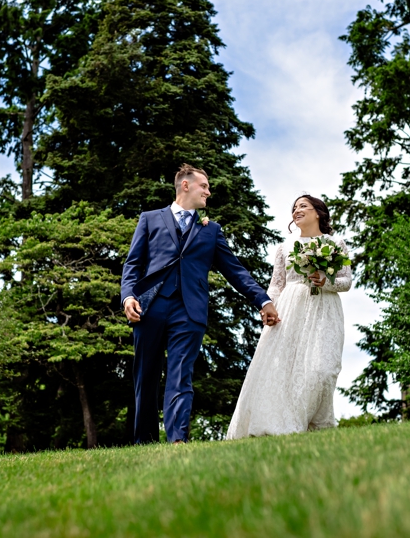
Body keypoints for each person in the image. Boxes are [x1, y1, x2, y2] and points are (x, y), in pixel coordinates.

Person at [121, 164, 280, 444]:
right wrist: (128, 296)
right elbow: (133, 264)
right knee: (145, 378)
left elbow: (235, 270)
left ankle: (178, 440)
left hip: (189, 310)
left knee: (181, 373)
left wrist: (263, 299)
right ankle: (144, 442)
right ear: (185, 185)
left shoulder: (211, 229)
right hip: (150, 307)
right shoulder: (149, 219)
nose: (208, 191)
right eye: (204, 186)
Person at [226, 195, 352, 439]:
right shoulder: (285, 247)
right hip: (290, 309)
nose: (297, 210)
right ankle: (288, 425)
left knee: (322, 369)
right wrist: (268, 308)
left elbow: (346, 281)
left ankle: (315, 423)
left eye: (303, 206)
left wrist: (326, 281)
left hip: (324, 310)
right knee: (285, 369)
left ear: (318, 212)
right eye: (294, 208)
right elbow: (277, 285)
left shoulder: (335, 243)